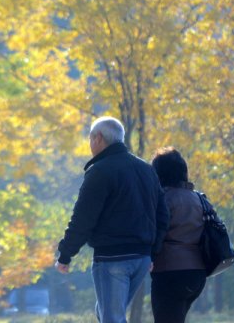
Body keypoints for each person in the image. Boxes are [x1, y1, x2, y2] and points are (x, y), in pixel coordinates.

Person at [55, 116, 169, 323]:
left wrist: (65, 253)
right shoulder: (146, 170)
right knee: (106, 312)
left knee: (112, 318)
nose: (90, 144)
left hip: (113, 257)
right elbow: (163, 214)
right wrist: (153, 252)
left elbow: (83, 218)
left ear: (98, 138)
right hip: (142, 258)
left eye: (90, 139)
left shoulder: (100, 171)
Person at [150, 147, 207, 323]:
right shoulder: (198, 199)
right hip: (197, 273)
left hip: (170, 271)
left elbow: (154, 233)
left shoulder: (163, 200)